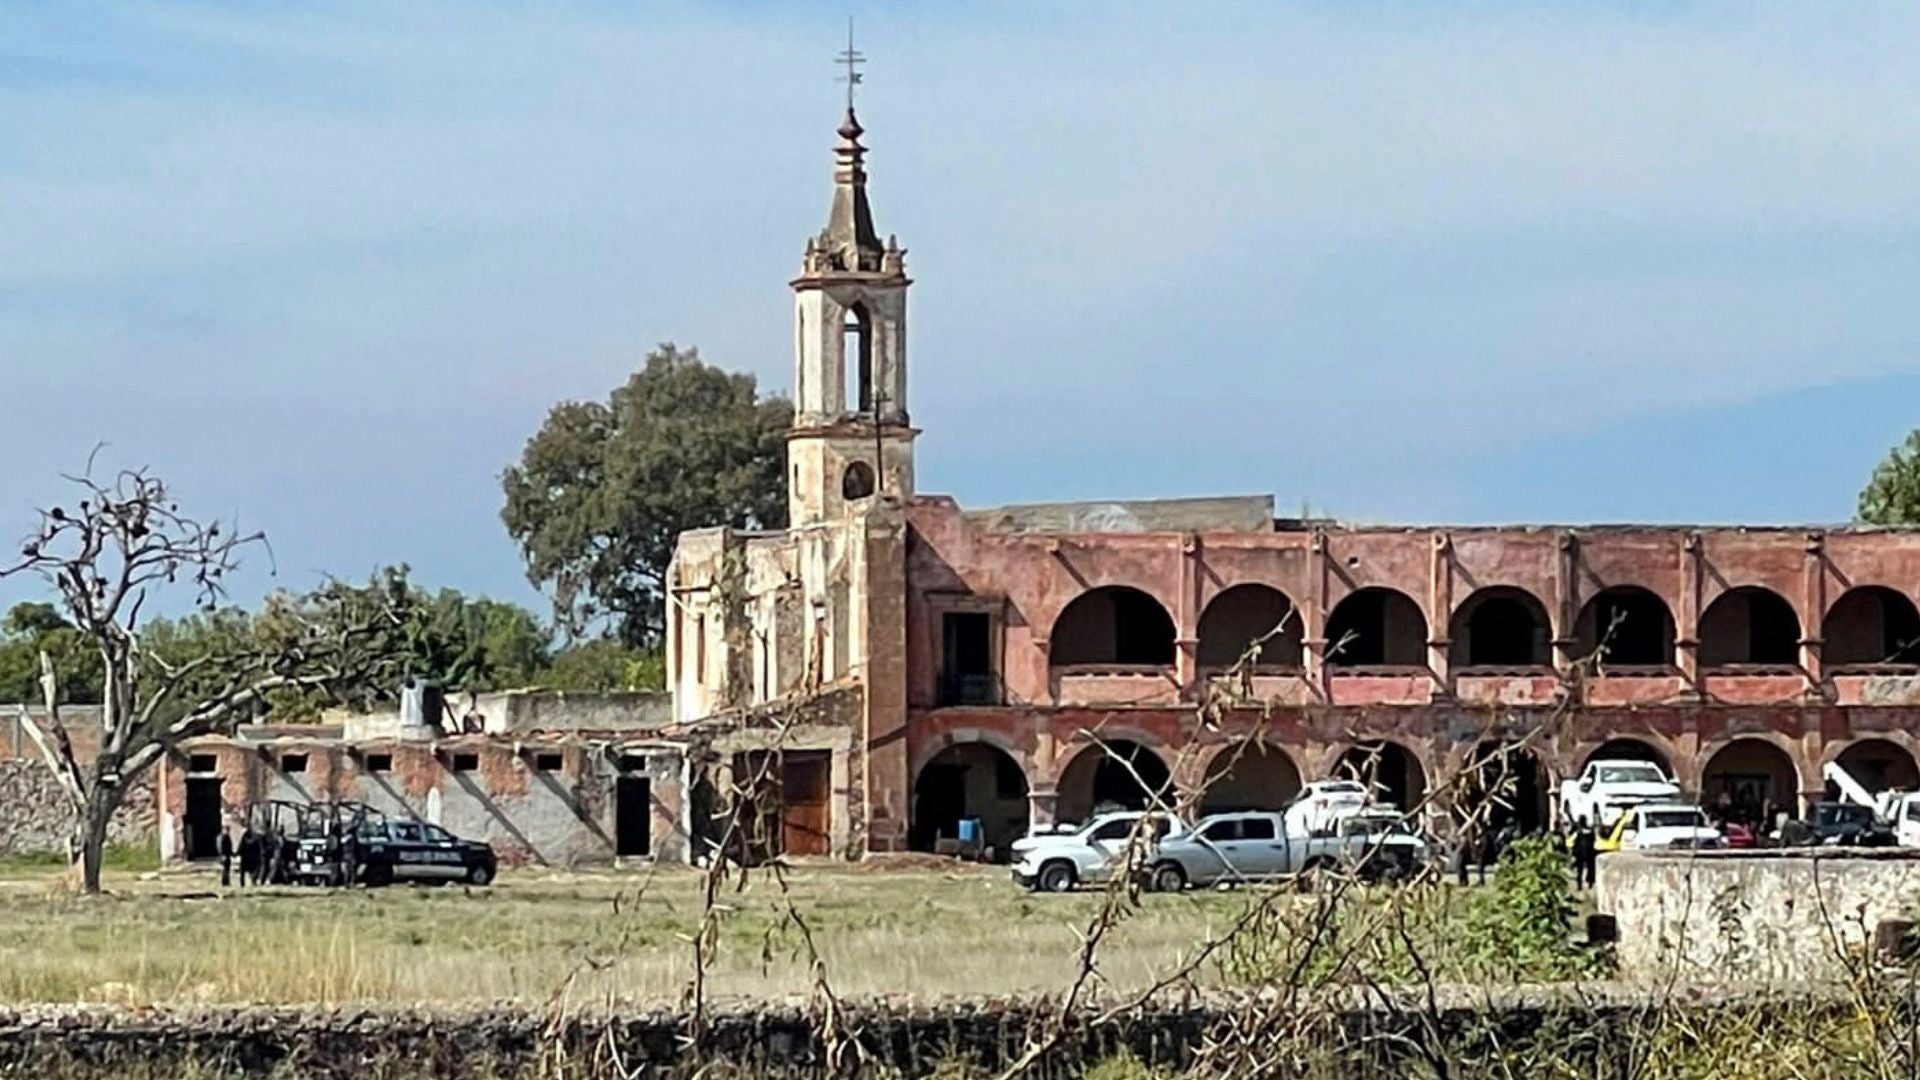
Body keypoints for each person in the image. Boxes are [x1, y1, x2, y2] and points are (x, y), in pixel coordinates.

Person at [1571, 817, 1597, 890]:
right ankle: (1590, 883)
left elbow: (1575, 843)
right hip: (1589, 852)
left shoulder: (1578, 831)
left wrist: (1574, 852)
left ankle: (1579, 886)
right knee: (1590, 869)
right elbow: (1594, 840)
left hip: (1580, 853)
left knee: (1580, 870)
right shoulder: (1590, 831)